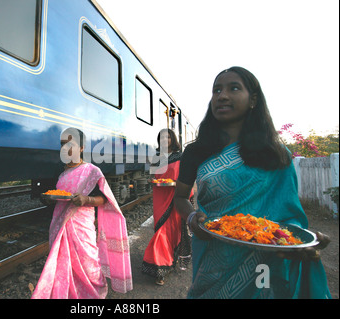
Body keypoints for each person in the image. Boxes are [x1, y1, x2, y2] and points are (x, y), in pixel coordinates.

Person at [174, 66, 331, 299]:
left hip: (264, 258)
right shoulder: (196, 151)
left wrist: (297, 242)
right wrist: (191, 218)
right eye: (217, 90)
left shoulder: (276, 154)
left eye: (233, 88)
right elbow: (179, 197)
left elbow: (288, 214)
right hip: (212, 255)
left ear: (253, 100)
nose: (222, 96)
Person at [31, 128, 132, 299]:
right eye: (62, 144)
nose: (65, 148)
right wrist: (49, 199)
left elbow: (105, 199)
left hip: (82, 228)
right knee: (62, 266)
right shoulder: (60, 172)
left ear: (82, 147)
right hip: (60, 225)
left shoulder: (92, 171)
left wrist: (87, 200)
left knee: (89, 265)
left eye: (70, 144)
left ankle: (93, 295)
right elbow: (59, 195)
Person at [142, 128, 194, 285]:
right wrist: (152, 178)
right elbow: (153, 176)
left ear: (173, 140)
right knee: (160, 228)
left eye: (168, 138)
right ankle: (165, 259)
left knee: (169, 230)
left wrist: (178, 186)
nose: (165, 140)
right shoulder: (157, 157)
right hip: (159, 196)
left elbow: (187, 177)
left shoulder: (181, 156)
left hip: (174, 197)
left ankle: (161, 266)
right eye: (162, 138)